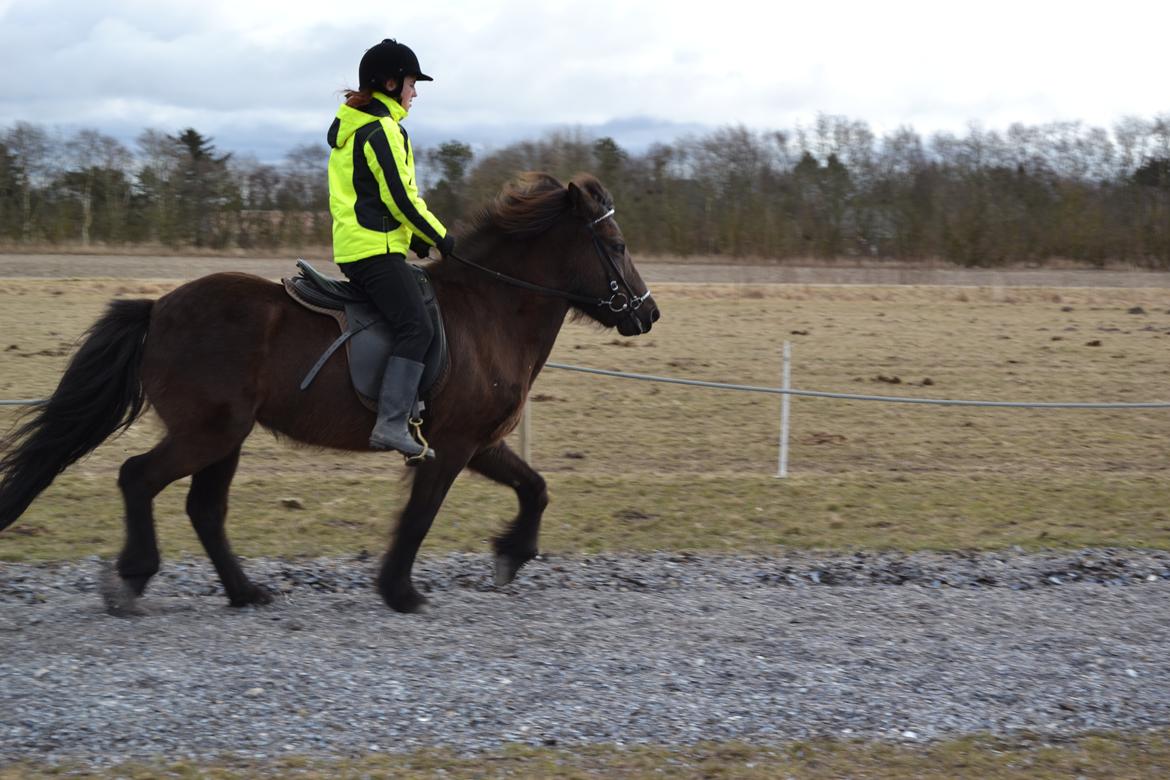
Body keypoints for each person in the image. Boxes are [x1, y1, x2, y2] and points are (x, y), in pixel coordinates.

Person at [326, 39, 454, 458]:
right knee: (417, 326)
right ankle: (392, 424)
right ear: (389, 82)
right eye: (412, 83)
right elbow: (401, 197)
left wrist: (414, 238)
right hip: (372, 250)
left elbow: (374, 197)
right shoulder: (382, 130)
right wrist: (442, 238)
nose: (414, 93)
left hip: (363, 245)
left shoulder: (357, 127)